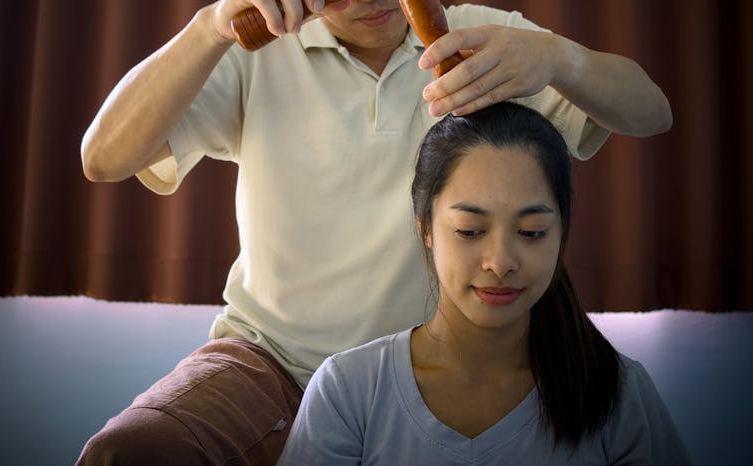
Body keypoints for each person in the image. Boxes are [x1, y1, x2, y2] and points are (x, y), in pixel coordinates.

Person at [78, 0, 672, 466]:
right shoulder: (255, 56)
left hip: (421, 369)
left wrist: (560, 59)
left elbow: (652, 113)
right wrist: (209, 27)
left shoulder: (479, 39)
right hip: (271, 360)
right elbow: (103, 157)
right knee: (128, 452)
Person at [277, 101, 690, 465]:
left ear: (561, 231)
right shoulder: (349, 391)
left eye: (531, 232)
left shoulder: (617, 392)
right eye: (470, 231)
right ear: (426, 228)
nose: (500, 263)